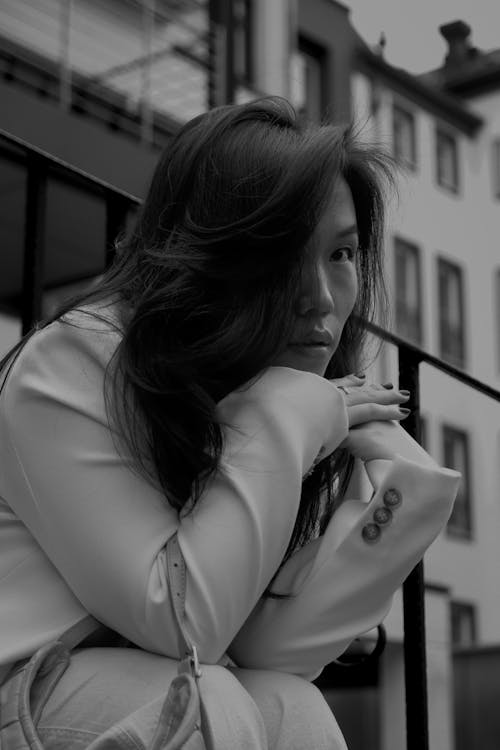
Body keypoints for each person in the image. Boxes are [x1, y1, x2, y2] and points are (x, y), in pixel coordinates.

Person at [0, 96, 460, 750]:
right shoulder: (72, 362)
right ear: (209, 256)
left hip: (151, 689)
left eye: (343, 255)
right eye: (283, 256)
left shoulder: (285, 402)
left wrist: (404, 495)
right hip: (24, 690)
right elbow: (184, 622)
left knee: (289, 706)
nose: (322, 300)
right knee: (206, 701)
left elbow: (278, 651)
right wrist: (281, 420)